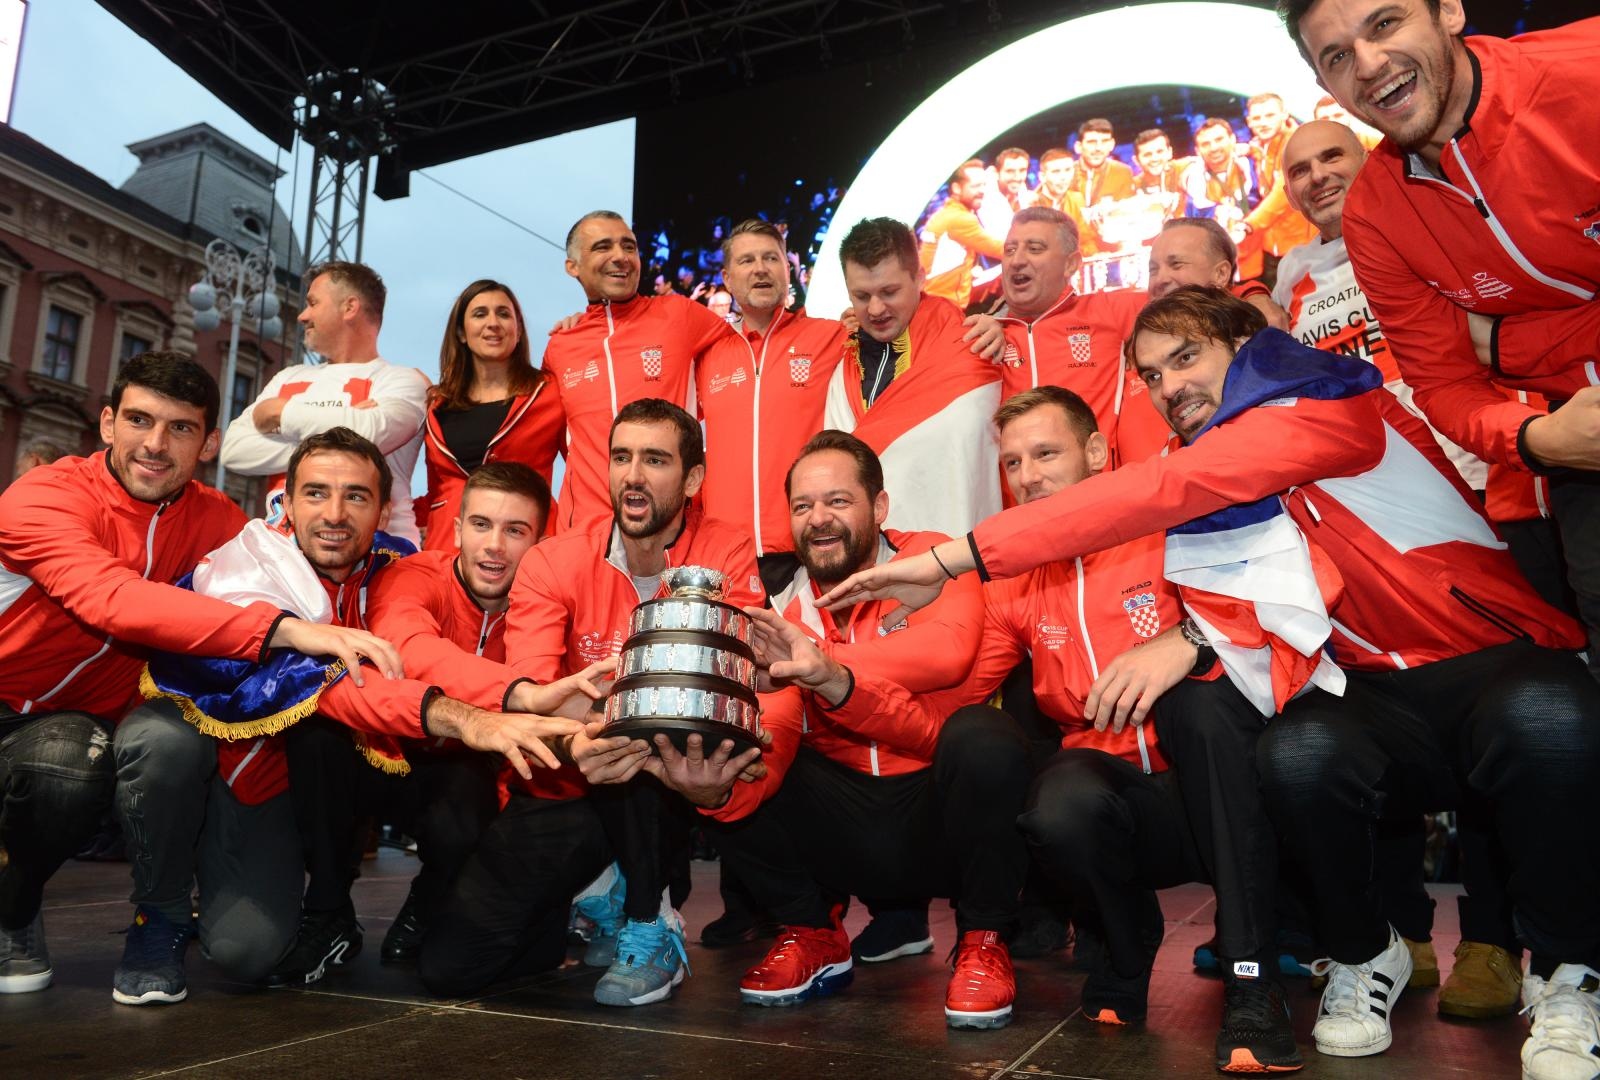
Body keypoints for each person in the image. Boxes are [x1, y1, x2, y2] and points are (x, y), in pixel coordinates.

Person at [816, 286, 1600, 1078]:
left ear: (1245, 344)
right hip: (1361, 690)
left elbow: (1159, 498)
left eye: (1186, 358)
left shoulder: (1323, 402)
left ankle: (1568, 971)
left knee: (1544, 714)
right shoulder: (1210, 493)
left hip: (1481, 660)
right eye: (1152, 376)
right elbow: (1278, 590)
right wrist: (834, 677)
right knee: (1294, 754)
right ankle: (1365, 953)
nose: (1170, 387)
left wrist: (953, 556)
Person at [112, 427, 585, 1004]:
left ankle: (434, 899)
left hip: (412, 772)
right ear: (285, 501)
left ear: (383, 508)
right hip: (259, 782)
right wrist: (494, 708)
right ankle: (183, 910)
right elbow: (381, 665)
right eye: (316, 493)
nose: (335, 513)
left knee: (464, 796)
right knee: (247, 942)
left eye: (356, 497)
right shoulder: (251, 573)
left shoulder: (393, 564)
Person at [0, 352, 386, 995]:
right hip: (12, 717)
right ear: (106, 424)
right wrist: (285, 630)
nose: (155, 444)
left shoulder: (217, 523)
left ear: (209, 443)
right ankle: (13, 906)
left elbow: (286, 566)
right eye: (139, 420)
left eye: (179, 428)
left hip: (92, 732)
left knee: (140, 750)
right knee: (73, 762)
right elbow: (111, 600)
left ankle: (163, 915)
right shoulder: (43, 495)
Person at [974, 386, 1300, 1073]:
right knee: (1057, 801)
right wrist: (838, 680)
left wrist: (1185, 639)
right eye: (1012, 462)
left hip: (1220, 782)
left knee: (1204, 711)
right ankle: (1127, 943)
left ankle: (1251, 980)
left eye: (1045, 453)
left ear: (1095, 452)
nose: (1028, 475)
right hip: (1127, 805)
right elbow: (962, 677)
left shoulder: (1168, 519)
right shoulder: (1017, 578)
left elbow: (1265, 609)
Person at [1281, 1, 1600, 693]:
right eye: (1336, 56)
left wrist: (1510, 343)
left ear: (1448, 10)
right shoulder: (1376, 215)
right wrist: (1539, 438)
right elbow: (1446, 385)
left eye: (1385, 24)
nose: (1369, 66)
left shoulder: (1586, 72)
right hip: (1577, 441)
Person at [660, 430, 1026, 1031]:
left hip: (941, 818)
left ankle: (984, 940)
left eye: (838, 501)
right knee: (737, 749)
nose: (818, 519)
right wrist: (715, 792)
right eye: (802, 507)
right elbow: (775, 733)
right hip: (850, 826)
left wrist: (827, 668)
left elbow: (949, 654)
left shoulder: (932, 559)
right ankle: (813, 933)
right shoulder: (785, 614)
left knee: (985, 738)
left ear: (879, 508)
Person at [502, 397, 773, 1007]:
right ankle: (604, 889)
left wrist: (619, 711)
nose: (632, 475)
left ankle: (650, 923)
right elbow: (529, 689)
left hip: (679, 767)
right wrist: (581, 731)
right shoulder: (553, 557)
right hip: (571, 767)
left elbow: (735, 681)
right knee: (459, 963)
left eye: (654, 460)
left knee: (658, 720)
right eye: (621, 456)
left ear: (693, 479)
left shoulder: (727, 550)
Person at [366, 461, 612, 968]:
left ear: (541, 542)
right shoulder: (412, 575)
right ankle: (323, 911)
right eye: (480, 525)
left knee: (470, 807)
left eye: (515, 530)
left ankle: (430, 901)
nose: (495, 546)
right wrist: (518, 693)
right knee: (318, 749)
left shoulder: (551, 609)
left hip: (472, 775)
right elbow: (408, 648)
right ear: (456, 529)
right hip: (382, 755)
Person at [541, 210, 735, 530]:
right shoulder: (560, 346)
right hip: (586, 531)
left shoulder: (679, 315)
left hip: (668, 526)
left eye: (629, 247)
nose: (621, 257)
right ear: (572, 266)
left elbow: (751, 353)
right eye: (603, 247)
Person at [220, 261, 430, 545]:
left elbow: (372, 432)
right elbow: (234, 450)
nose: (302, 316)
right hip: (284, 551)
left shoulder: (403, 380)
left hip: (383, 556)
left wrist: (281, 413)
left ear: (349, 307)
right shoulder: (289, 376)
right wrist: (347, 435)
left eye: (313, 303)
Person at [822, 217, 1002, 537]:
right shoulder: (842, 368)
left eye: (889, 291)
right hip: (872, 563)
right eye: (861, 296)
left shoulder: (975, 346)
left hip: (960, 555)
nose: (876, 309)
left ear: (919, 278)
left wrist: (1009, 326)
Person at [695, 219, 846, 594]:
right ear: (728, 279)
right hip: (725, 555)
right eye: (747, 261)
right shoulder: (704, 355)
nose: (761, 268)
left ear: (787, 269)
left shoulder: (832, 337)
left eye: (771, 258)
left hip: (811, 544)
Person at [985, 207, 1169, 468]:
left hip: (1097, 497)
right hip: (1018, 503)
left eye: (1035, 248)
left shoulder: (1110, 311)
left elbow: (1203, 300)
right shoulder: (982, 334)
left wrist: (1250, 291)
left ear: (1071, 264)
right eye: (1010, 250)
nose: (1016, 261)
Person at [420, 280, 564, 550]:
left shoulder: (548, 392)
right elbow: (436, 489)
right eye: (480, 314)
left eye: (504, 313)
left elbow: (582, 467)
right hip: (447, 548)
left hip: (525, 543)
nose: (493, 322)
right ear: (461, 332)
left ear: (518, 330)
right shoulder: (438, 403)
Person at [1148, 217, 1289, 330]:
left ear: (1221, 274)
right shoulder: (1138, 318)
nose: (1160, 279)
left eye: (1176, 264)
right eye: (1153, 269)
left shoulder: (1246, 340)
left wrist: (1255, 301)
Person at [1239, 93, 1318, 286]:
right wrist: (1249, 150)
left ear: (1284, 114)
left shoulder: (1295, 143)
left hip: (1303, 248)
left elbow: (1282, 191)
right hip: (1274, 248)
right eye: (1257, 118)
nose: (1263, 123)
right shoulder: (1262, 147)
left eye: (1269, 115)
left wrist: (1249, 225)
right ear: (1248, 122)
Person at [919, 159, 1005, 310]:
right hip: (945, 307)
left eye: (984, 185)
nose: (982, 190)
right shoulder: (960, 219)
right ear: (957, 188)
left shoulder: (945, 214)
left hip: (934, 303)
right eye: (976, 185)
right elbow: (1001, 250)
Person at [1181, 118, 1260, 276]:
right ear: (1197, 150)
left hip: (1256, 262)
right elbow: (1194, 219)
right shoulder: (1193, 178)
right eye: (1205, 144)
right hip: (1217, 269)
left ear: (1232, 139)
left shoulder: (1251, 166)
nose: (1214, 147)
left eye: (1219, 139)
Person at [1064, 119, 1136, 257]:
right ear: (1078, 146)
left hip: (1110, 251)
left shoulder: (1122, 172)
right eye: (1091, 142)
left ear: (1112, 144)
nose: (1098, 148)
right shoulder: (1065, 173)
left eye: (1104, 141)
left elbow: (1127, 219)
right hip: (1072, 251)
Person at [1132, 128, 1186, 218]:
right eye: (1147, 154)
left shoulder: (1183, 169)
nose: (1154, 159)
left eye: (1159, 152)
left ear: (1169, 152)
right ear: (1136, 160)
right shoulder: (1132, 186)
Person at [1034, 148, 1075, 212]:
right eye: (1056, 171)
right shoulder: (1031, 204)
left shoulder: (1077, 199)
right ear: (1042, 176)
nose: (1063, 177)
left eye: (1068, 170)